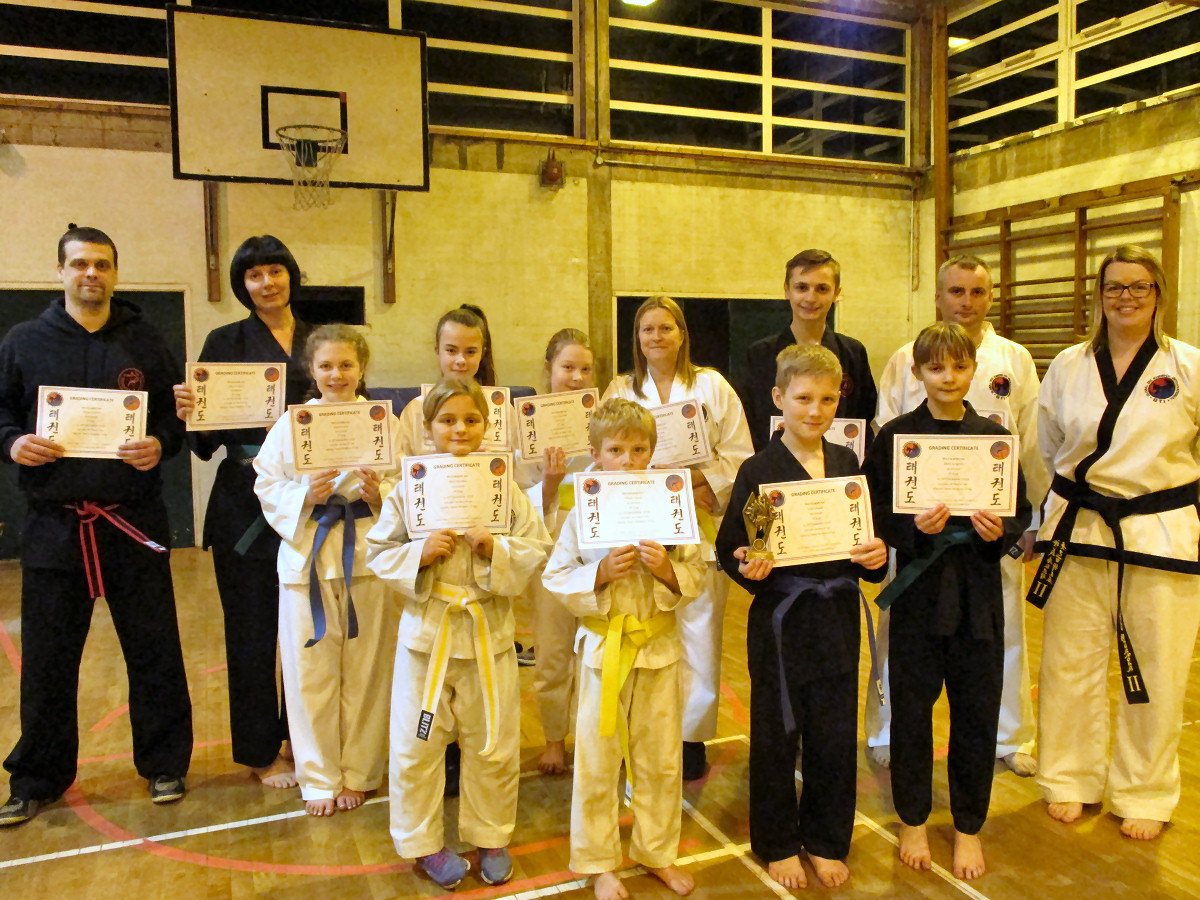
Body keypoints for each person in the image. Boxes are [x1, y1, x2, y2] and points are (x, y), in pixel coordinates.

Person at [0, 225, 192, 825]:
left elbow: (172, 418)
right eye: (79, 263)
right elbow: (0, 413)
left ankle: (165, 763)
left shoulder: (145, 339)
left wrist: (160, 442)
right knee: (50, 660)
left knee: (154, 649)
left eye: (102, 264)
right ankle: (38, 777)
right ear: (59, 271)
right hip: (55, 528)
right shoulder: (25, 341)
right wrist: (12, 443)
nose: (91, 274)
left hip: (132, 521)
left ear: (115, 272)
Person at [1032, 245, 1200, 841]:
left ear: (1158, 294)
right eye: (1114, 287)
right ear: (1098, 297)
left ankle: (1146, 790)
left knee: (1157, 667)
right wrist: (1039, 516)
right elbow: (1045, 447)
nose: (1126, 297)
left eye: (1139, 286)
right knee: (1069, 665)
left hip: (1161, 532)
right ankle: (1069, 778)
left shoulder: (1187, 366)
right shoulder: (1069, 365)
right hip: (1078, 531)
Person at [366, 377, 551, 889]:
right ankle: (423, 844)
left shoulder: (503, 486)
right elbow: (378, 552)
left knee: (492, 741)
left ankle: (490, 834)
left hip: (489, 633)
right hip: (428, 638)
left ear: (486, 426)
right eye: (447, 420)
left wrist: (496, 550)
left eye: (471, 420)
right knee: (416, 746)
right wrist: (419, 554)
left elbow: (536, 547)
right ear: (427, 429)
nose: (460, 429)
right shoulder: (409, 487)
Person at [868, 254, 1048, 777]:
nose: (966, 302)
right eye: (956, 292)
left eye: (977, 292)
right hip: (919, 535)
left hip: (988, 524)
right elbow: (888, 437)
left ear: (990, 297)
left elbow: (1029, 443)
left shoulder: (1014, 358)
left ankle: (1008, 736)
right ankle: (886, 727)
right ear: (938, 296)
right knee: (898, 636)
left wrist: (1027, 520)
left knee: (1003, 629)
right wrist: (904, 519)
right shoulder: (906, 355)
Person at [715, 345, 888, 890]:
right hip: (782, 619)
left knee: (834, 733)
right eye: (803, 398)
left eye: (827, 399)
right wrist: (751, 564)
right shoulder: (763, 470)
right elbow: (735, 548)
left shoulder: (846, 465)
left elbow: (864, 542)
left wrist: (874, 557)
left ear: (841, 399)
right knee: (777, 732)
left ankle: (826, 838)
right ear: (778, 399)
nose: (815, 410)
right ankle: (778, 842)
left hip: (835, 612)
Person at [863, 322, 1030, 880]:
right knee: (912, 711)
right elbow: (874, 513)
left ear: (973, 370)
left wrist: (997, 530)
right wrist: (911, 528)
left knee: (976, 715)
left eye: (959, 367)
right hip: (917, 592)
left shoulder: (993, 438)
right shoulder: (895, 438)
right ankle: (912, 818)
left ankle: (968, 827)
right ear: (917, 373)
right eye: (936, 368)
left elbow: (1020, 510)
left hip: (978, 594)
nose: (948, 377)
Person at [543, 398, 704, 900]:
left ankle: (657, 852)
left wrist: (667, 570)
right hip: (602, 653)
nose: (629, 460)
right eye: (616, 450)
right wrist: (599, 574)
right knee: (596, 759)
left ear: (653, 452)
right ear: (595, 453)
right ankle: (597, 862)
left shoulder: (673, 506)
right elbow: (556, 576)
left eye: (639, 449)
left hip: (658, 647)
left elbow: (698, 573)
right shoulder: (579, 513)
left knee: (660, 759)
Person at [172, 235, 312, 788]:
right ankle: (259, 750)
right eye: (254, 275)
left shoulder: (321, 338)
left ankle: (303, 735)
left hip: (313, 498)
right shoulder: (224, 340)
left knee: (306, 627)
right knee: (251, 628)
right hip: (244, 501)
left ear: (291, 276)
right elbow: (205, 445)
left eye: (275, 271)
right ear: (242, 285)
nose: (267, 282)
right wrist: (192, 412)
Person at [602, 297, 753, 780]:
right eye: (647, 329)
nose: (656, 337)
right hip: (637, 524)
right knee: (638, 628)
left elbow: (739, 451)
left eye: (666, 328)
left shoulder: (711, 385)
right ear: (637, 337)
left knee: (699, 633)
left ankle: (689, 738)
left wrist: (700, 483)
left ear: (682, 333)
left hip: (697, 523)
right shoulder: (622, 388)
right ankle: (636, 731)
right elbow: (603, 451)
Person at [253, 325, 400, 816]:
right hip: (307, 561)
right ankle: (317, 776)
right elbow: (266, 484)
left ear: (361, 368)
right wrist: (305, 496)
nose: (336, 374)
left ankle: (359, 772)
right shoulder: (292, 425)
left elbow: (407, 485)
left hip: (367, 561)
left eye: (346, 365)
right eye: (326, 366)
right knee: (309, 674)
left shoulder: (383, 422)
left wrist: (380, 494)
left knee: (366, 673)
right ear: (310, 371)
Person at [524, 328, 597, 775]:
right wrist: (548, 484)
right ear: (549, 369)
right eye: (567, 367)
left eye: (585, 369)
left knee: (594, 649)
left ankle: (592, 735)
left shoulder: (605, 417)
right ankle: (554, 737)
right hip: (549, 540)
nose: (576, 377)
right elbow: (515, 498)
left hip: (597, 540)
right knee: (552, 650)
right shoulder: (525, 422)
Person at [739, 249, 877, 452]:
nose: (811, 298)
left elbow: (864, 413)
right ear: (787, 290)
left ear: (836, 293)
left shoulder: (853, 353)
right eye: (802, 287)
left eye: (822, 289)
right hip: (774, 466)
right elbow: (750, 419)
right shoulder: (760, 354)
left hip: (836, 466)